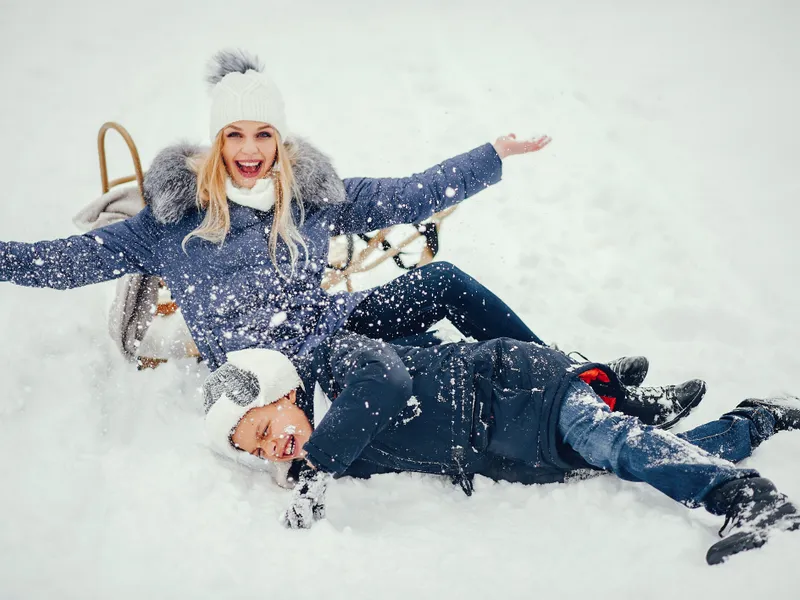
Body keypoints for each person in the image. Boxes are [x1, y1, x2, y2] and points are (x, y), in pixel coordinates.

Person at [0, 49, 702, 426]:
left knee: (445, 281)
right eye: (235, 135)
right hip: (281, 373)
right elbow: (61, 262)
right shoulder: (172, 222)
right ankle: (574, 409)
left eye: (263, 133)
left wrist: (490, 154)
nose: (250, 148)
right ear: (217, 142)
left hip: (333, 324)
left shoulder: (311, 196)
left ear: (281, 138)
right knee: (445, 368)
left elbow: (412, 193)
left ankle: (579, 386)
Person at [203, 332, 800, 565]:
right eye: (258, 453)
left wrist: (317, 469)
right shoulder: (334, 453)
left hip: (518, 389)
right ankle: (758, 419)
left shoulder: (340, 363)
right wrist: (299, 474)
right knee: (639, 460)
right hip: (513, 453)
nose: (271, 447)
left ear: (281, 389)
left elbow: (387, 384)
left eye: (262, 430)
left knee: (614, 441)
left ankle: (748, 497)